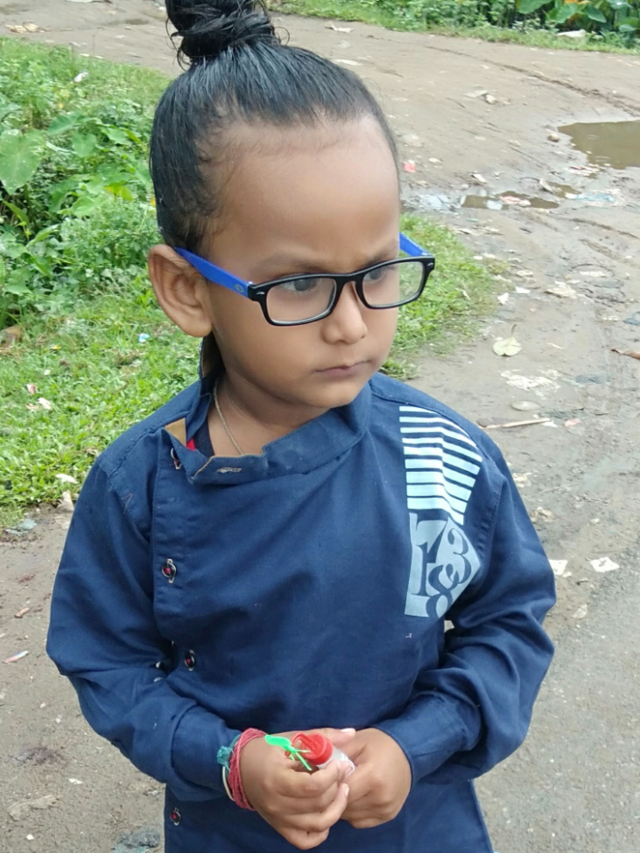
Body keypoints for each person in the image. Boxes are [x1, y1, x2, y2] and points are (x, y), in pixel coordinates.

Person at [47, 1, 556, 851]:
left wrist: (417, 739)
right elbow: (108, 661)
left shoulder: (445, 458)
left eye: (378, 271)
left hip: (417, 830)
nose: (352, 325)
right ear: (187, 289)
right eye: (298, 286)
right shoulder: (140, 485)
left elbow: (507, 621)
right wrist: (229, 760)